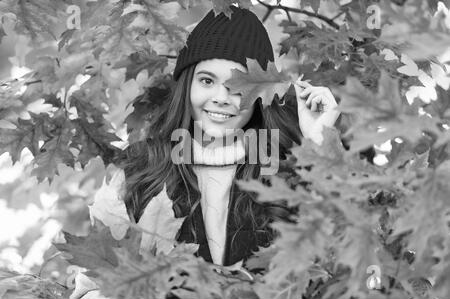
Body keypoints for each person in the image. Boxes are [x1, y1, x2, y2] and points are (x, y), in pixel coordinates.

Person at [118, 5, 341, 270]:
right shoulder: (138, 168)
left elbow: (338, 262)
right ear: (187, 85)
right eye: (207, 81)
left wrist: (320, 142)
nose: (221, 99)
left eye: (238, 86)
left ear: (260, 95)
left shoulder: (287, 171)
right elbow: (98, 282)